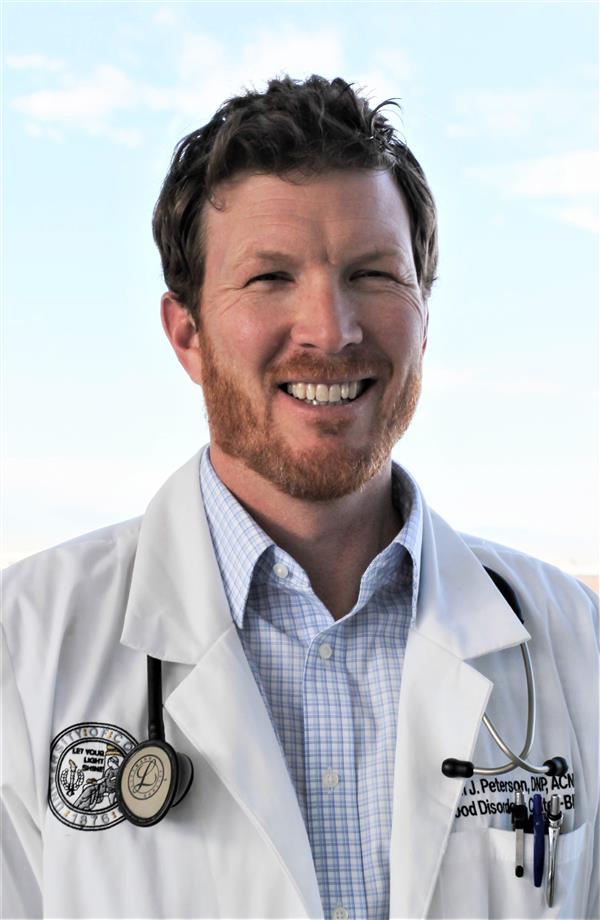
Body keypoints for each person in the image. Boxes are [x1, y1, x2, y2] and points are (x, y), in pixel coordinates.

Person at [1, 74, 597, 920]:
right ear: (188, 335)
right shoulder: (22, 649)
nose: (331, 328)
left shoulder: (573, 643)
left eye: (373, 273)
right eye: (272, 277)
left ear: (424, 315)